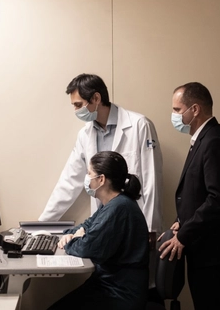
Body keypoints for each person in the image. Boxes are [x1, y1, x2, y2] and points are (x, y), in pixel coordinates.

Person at [38, 73, 162, 290]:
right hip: (107, 223)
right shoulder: (85, 134)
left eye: (78, 104)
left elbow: (151, 178)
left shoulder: (139, 125)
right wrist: (41, 225)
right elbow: (69, 181)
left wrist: (151, 228)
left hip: (134, 225)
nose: (76, 111)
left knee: (131, 284)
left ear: (96, 98)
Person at [159, 82, 220, 310]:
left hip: (212, 251)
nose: (174, 116)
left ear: (194, 109)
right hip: (203, 246)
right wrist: (181, 222)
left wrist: (184, 235)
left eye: (177, 110)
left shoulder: (215, 141)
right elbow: (198, 193)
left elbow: (218, 199)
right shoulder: (203, 139)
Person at [48, 151, 149, 310]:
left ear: (101, 180)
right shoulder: (112, 204)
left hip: (119, 293)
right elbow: (86, 226)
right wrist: (74, 234)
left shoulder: (118, 208)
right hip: (107, 284)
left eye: (89, 174)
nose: (87, 178)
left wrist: (73, 240)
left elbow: (88, 247)